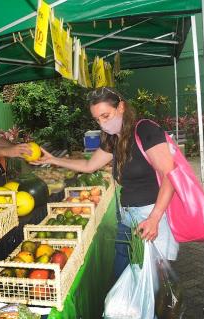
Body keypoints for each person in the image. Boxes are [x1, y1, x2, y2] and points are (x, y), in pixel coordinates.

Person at [33, 87, 178, 278]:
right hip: (128, 219)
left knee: (152, 289)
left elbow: (170, 175)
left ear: (121, 107)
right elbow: (89, 165)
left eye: (106, 115)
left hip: (150, 218)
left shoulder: (145, 130)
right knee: (122, 281)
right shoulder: (114, 138)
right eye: (97, 119)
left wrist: (155, 217)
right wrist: (53, 160)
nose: (102, 123)